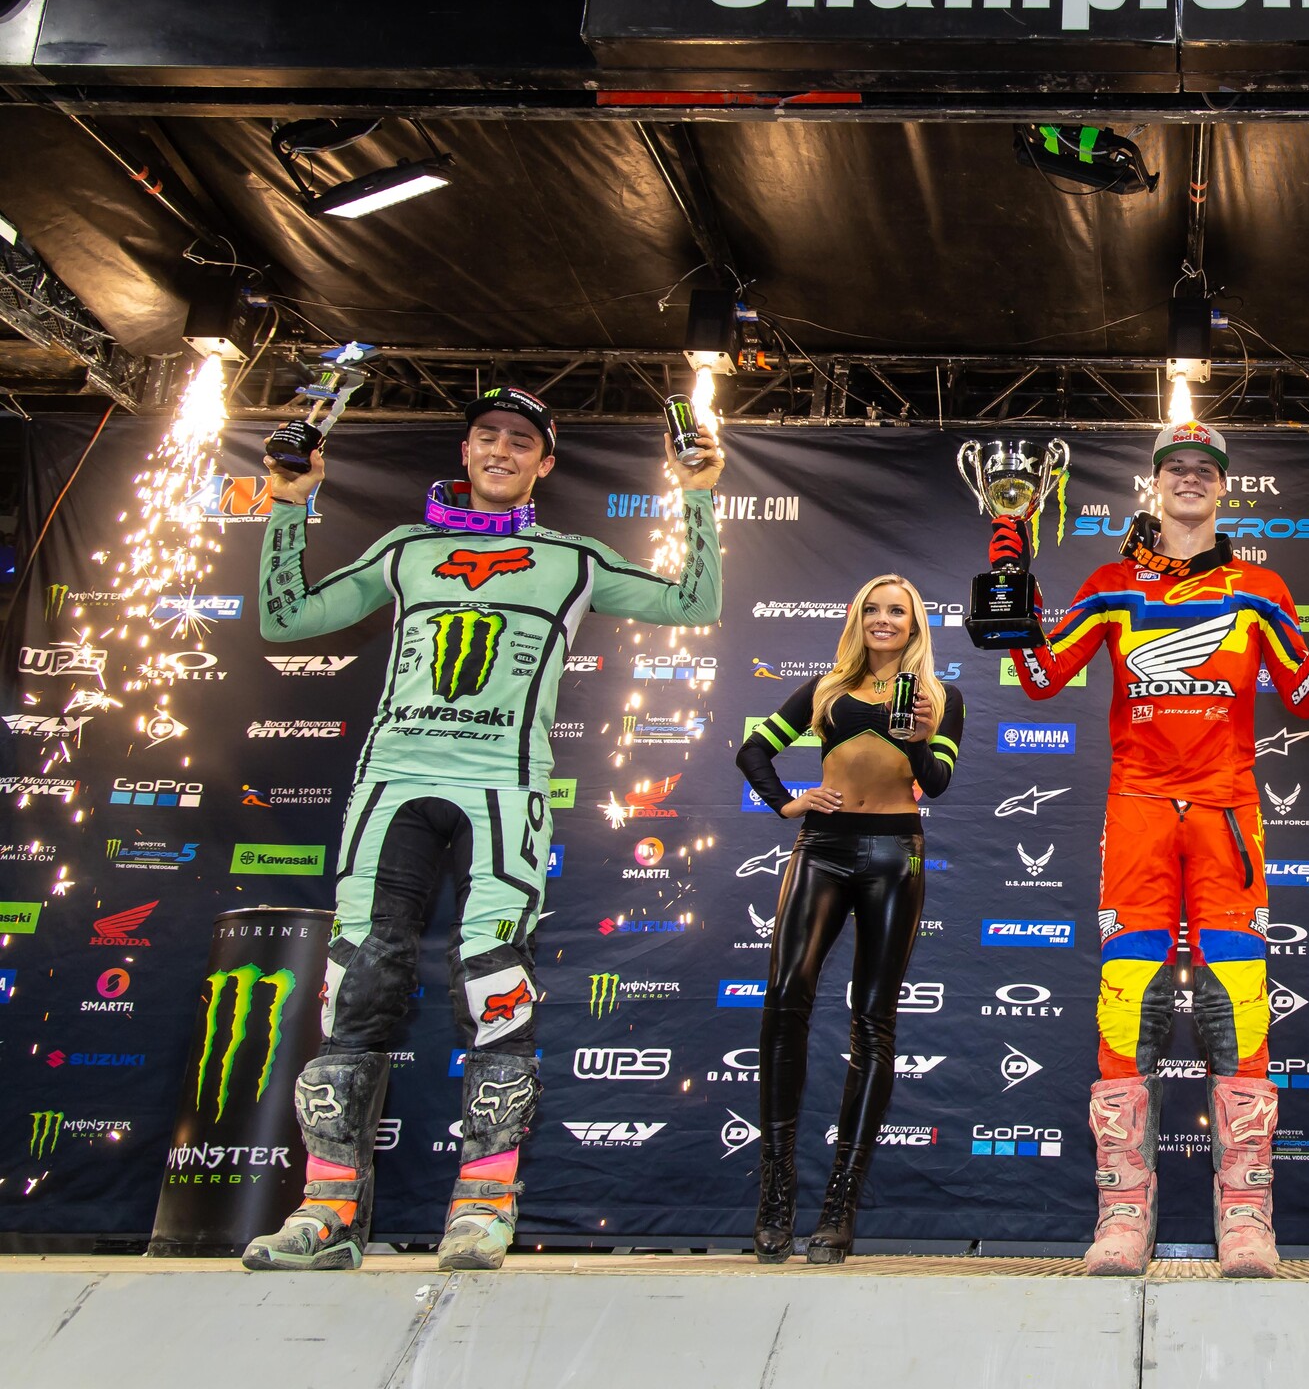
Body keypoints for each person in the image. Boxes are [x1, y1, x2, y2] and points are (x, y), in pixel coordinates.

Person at [241, 389, 723, 1273]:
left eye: (522, 441)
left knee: (496, 980)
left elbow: (694, 604)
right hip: (393, 783)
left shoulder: (572, 559)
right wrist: (288, 501)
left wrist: (696, 493)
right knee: (357, 980)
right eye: (488, 436)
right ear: (466, 451)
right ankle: (327, 1210)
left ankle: (484, 1206)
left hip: (502, 789)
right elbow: (285, 620)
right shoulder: (407, 549)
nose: (502, 449)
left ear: (545, 463)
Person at [990, 420, 1309, 1277]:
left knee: (1238, 1002)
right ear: (1157, 483)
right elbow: (1041, 677)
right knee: (1126, 1000)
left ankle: (1246, 1216)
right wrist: (1013, 593)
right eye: (1177, 468)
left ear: (1223, 486)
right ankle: (1123, 1214)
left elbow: (1305, 695)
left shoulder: (1258, 588)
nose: (1191, 479)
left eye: (1206, 469)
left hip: (1225, 812)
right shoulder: (1110, 583)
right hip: (1137, 809)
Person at [733, 574, 964, 1264]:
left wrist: (917, 735)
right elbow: (752, 750)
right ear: (857, 618)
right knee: (785, 1000)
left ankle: (838, 1208)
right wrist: (787, 802)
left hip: (896, 855)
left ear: (916, 625)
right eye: (872, 609)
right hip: (821, 850)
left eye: (897, 611)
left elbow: (937, 783)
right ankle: (776, 1196)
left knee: (872, 1019)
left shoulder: (940, 698)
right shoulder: (826, 690)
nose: (883, 619)